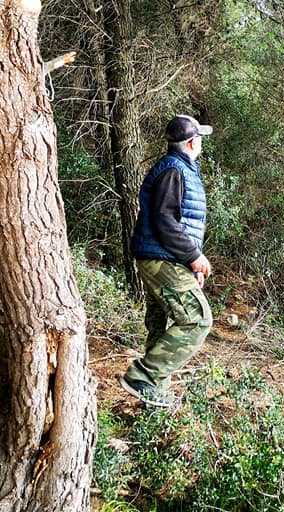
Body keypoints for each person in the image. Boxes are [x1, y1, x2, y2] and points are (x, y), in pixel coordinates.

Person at [121, 115, 214, 408]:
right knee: (198, 319)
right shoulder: (174, 170)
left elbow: (177, 221)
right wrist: (194, 257)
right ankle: (143, 377)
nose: (200, 142)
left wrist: (188, 262)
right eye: (199, 137)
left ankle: (152, 398)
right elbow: (166, 221)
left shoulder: (180, 169)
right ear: (191, 142)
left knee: (160, 326)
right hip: (160, 259)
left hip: (164, 258)